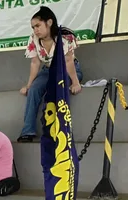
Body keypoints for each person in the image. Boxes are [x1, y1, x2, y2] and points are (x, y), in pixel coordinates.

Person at [19, 7, 83, 142]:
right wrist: (29, 85)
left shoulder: (65, 36)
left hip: (66, 69)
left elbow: (68, 61)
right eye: (33, 27)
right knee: (34, 90)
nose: (35, 30)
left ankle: (59, 131)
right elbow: (35, 63)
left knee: (58, 88)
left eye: (38, 25)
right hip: (48, 70)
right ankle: (27, 131)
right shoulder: (33, 39)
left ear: (49, 22)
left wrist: (75, 82)